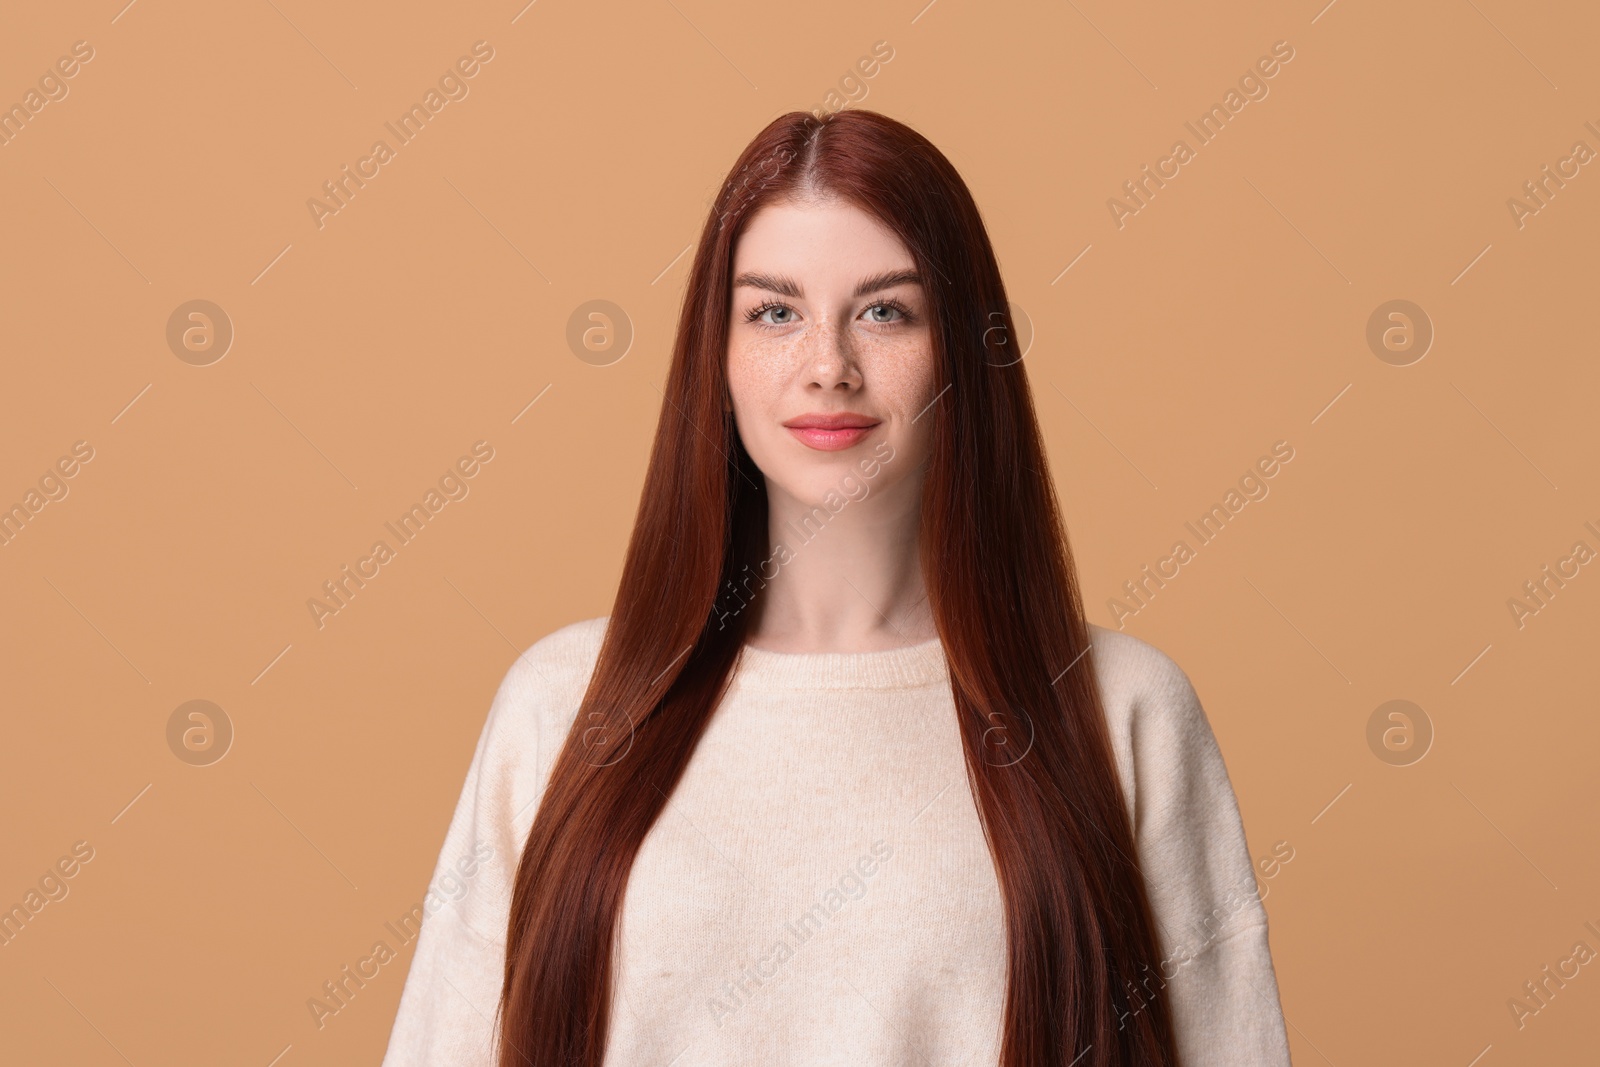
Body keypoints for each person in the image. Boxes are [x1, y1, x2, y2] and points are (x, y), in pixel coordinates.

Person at [380, 108, 1293, 1066]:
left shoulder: (1122, 710)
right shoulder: (561, 706)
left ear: (963, 355)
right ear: (717, 357)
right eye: (774, 312)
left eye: (885, 310)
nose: (829, 367)